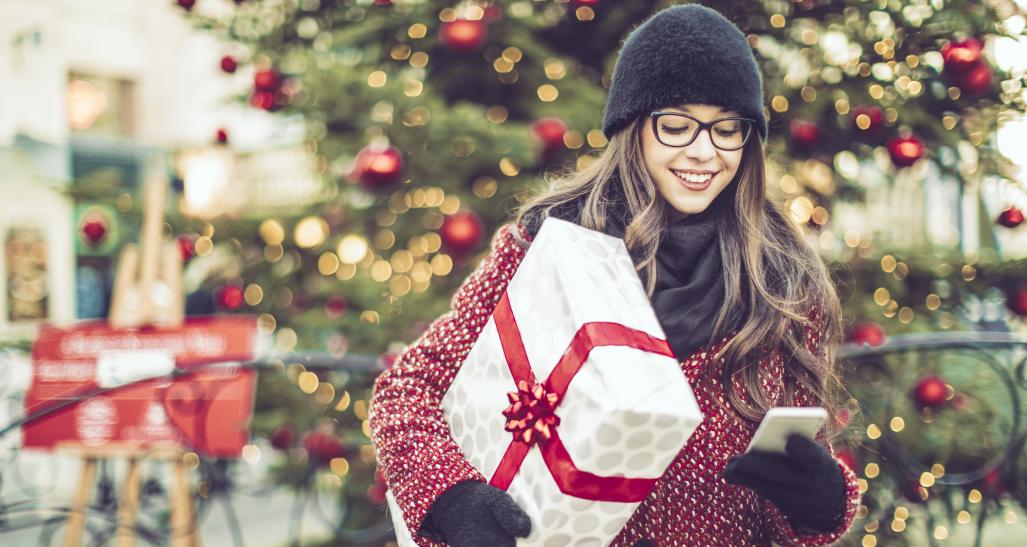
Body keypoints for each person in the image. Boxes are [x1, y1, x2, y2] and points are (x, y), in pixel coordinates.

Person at [369, 4, 861, 546]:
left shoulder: (782, 282)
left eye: (728, 130)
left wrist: (821, 501)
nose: (704, 152)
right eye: (676, 125)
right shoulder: (551, 244)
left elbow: (785, 504)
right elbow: (407, 388)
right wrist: (451, 497)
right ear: (633, 128)